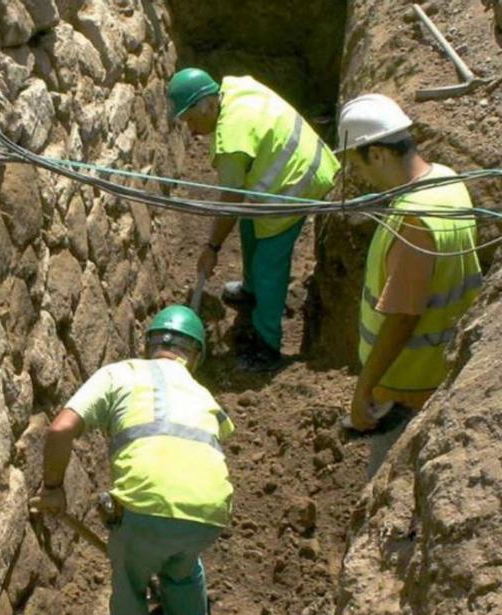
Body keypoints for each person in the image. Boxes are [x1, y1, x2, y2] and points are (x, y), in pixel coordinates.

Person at [31, 305, 234, 615]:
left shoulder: (119, 374)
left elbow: (60, 429)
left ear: (149, 345)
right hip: (208, 515)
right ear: (196, 355)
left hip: (143, 515)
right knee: (184, 569)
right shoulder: (204, 395)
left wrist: (53, 488)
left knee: (129, 588)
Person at [168, 68, 341, 371]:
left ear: (209, 105)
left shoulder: (232, 142)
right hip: (299, 161)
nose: (191, 130)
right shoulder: (235, 89)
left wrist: (212, 247)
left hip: (296, 184)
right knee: (251, 227)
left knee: (268, 264)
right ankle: (250, 292)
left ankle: (266, 345)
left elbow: (230, 202)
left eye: (192, 119)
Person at [335, 94, 482, 438]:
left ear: (377, 154)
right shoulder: (448, 180)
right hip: (441, 367)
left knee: (387, 474)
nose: (363, 177)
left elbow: (402, 317)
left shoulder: (414, 221)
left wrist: (364, 387)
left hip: (407, 383)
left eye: (360, 166)